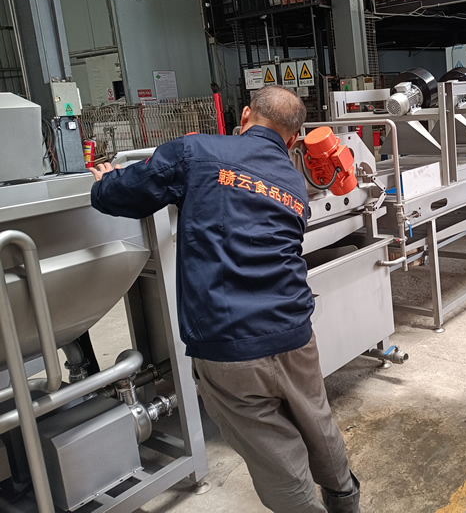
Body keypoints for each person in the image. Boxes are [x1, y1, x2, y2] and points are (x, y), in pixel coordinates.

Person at [90, 86, 360, 513]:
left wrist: (105, 181)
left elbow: (123, 194)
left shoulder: (196, 151)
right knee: (317, 419)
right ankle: (345, 499)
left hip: (228, 340)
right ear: (293, 139)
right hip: (294, 332)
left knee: (274, 450)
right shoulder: (293, 181)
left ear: (246, 115)